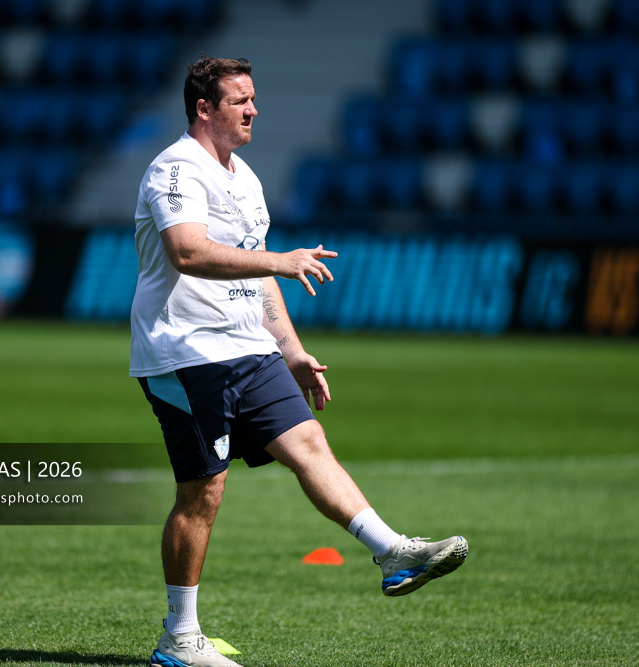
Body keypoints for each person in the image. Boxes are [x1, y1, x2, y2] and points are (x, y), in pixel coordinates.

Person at [131, 56, 468, 667]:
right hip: (185, 352)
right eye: (240, 100)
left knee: (309, 442)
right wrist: (279, 260)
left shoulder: (247, 178)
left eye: (253, 98)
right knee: (203, 492)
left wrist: (291, 350)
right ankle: (179, 638)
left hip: (249, 350)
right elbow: (186, 251)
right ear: (204, 109)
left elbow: (259, 277)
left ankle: (391, 552)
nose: (253, 109)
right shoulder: (174, 170)